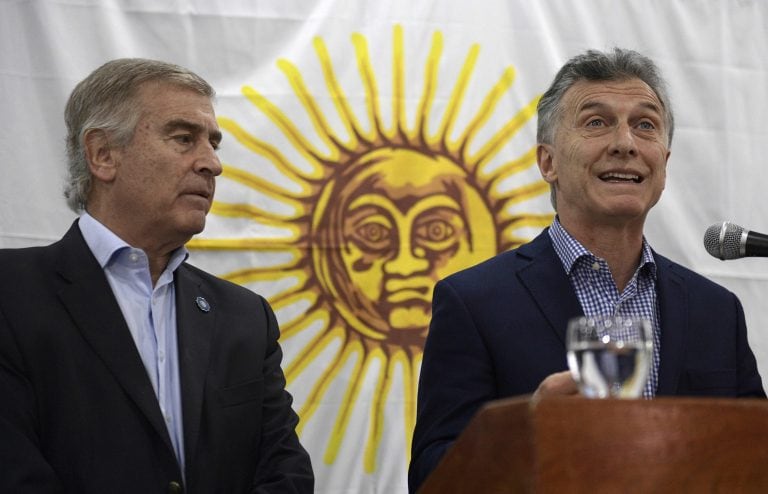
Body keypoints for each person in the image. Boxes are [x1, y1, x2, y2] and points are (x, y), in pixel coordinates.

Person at [408, 47, 766, 492]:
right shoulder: (473, 303)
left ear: (664, 164)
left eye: (645, 125)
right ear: (548, 162)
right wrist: (524, 433)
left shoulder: (717, 311)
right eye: (596, 122)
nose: (625, 143)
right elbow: (430, 478)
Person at [0, 59, 313, 493]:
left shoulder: (245, 317)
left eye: (213, 144)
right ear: (103, 155)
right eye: (184, 138)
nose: (211, 164)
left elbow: (285, 471)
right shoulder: (12, 296)